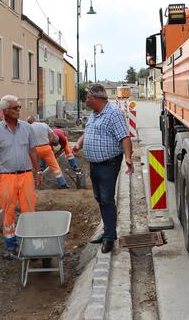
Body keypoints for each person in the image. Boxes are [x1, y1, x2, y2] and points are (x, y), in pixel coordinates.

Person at [73, 84, 134, 253]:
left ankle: (109, 238)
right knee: (99, 197)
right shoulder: (94, 114)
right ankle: (107, 230)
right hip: (95, 164)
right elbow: (88, 132)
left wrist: (128, 158)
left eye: (87, 97)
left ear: (95, 98)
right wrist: (79, 143)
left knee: (107, 199)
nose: (85, 100)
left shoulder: (113, 113)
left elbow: (125, 137)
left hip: (109, 163)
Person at [0, 95, 41, 259]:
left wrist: (38, 171)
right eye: (15, 108)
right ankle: (10, 246)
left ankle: (30, 244)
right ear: (4, 112)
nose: (18, 110)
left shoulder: (27, 128)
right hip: (7, 177)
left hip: (26, 176)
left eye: (19, 107)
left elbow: (33, 150)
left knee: (29, 211)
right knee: (8, 211)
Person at [27, 116, 69, 189]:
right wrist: (47, 142)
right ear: (35, 119)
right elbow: (53, 137)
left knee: (30, 167)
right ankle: (63, 184)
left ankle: (30, 185)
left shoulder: (28, 128)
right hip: (46, 148)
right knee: (55, 167)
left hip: (34, 150)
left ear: (29, 122)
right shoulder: (44, 125)